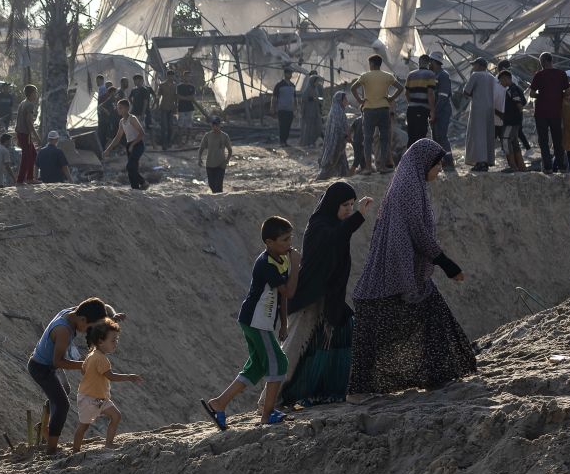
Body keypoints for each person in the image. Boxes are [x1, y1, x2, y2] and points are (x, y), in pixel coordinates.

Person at [347, 138, 474, 396]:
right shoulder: (408, 189)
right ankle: (360, 391)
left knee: (433, 318)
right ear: (423, 163)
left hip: (408, 271)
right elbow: (418, 233)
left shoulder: (413, 184)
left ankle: (437, 376)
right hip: (395, 273)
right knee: (381, 335)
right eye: (437, 165)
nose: (439, 169)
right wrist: (448, 265)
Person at [200, 216, 300, 430]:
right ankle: (267, 414)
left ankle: (219, 403)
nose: (289, 244)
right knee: (279, 363)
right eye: (284, 240)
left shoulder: (280, 259)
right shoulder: (265, 264)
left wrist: (283, 324)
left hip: (260, 321)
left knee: (256, 366)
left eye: (290, 238)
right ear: (269, 243)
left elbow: (282, 296)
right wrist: (297, 266)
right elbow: (289, 291)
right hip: (256, 321)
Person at [280, 183, 370, 407]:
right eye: (345, 205)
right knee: (294, 348)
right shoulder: (319, 226)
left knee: (349, 336)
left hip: (330, 298)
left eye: (351, 205)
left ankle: (351, 390)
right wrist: (359, 215)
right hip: (309, 298)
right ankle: (269, 399)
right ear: (332, 204)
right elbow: (336, 237)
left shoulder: (334, 224)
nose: (349, 209)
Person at [28, 298, 110, 456]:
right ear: (83, 319)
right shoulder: (63, 330)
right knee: (63, 405)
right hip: (41, 368)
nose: (88, 332)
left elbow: (98, 307)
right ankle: (51, 450)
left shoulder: (74, 312)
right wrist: (85, 365)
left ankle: (45, 428)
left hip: (48, 364)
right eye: (89, 328)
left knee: (63, 390)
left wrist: (112, 317)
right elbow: (58, 361)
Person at [73, 319, 136, 453]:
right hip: (89, 398)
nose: (116, 343)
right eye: (113, 340)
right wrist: (130, 377)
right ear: (101, 342)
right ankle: (75, 451)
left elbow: (83, 370)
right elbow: (111, 376)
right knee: (83, 426)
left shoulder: (91, 355)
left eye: (116, 339)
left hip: (98, 397)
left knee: (116, 416)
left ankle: (108, 444)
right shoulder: (101, 359)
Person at [352, 55, 401, 172]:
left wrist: (360, 101)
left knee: (368, 139)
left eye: (370, 64)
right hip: (384, 110)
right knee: (384, 139)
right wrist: (390, 98)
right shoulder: (387, 76)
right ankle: (383, 166)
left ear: (372, 64)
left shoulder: (365, 76)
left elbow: (353, 88)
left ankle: (368, 168)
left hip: (369, 111)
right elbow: (400, 88)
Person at [529, 53, 570, 174]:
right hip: (556, 112)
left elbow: (532, 93)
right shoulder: (561, 74)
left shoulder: (539, 75)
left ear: (543, 61)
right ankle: (562, 167)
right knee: (558, 140)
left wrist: (541, 96)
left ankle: (547, 167)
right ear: (551, 61)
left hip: (541, 112)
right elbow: (568, 92)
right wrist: (558, 96)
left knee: (543, 141)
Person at [461, 58, 501, 171]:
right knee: (487, 134)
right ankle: (488, 160)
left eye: (474, 65)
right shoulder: (492, 78)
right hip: (490, 109)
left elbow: (466, 92)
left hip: (478, 108)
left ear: (478, 65)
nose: (473, 67)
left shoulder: (475, 75)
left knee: (478, 135)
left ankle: (481, 162)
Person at [103, 98, 149, 189]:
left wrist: (133, 145)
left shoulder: (132, 118)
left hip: (138, 144)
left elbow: (142, 133)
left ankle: (143, 182)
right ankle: (135, 188)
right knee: (132, 169)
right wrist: (108, 149)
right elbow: (118, 137)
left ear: (127, 108)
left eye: (120, 108)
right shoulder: (121, 122)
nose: (118, 110)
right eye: (118, 108)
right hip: (129, 145)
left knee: (130, 166)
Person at [429, 53, 455, 168]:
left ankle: (449, 162)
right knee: (435, 137)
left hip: (442, 110)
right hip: (436, 110)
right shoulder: (434, 75)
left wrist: (435, 112)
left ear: (434, 62)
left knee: (441, 136)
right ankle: (440, 162)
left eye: (430, 61)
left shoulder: (443, 75)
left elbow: (443, 97)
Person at [404, 56, 439, 143]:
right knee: (421, 136)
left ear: (419, 62)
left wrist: (411, 103)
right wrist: (432, 111)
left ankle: (411, 156)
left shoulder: (410, 74)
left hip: (411, 109)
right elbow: (430, 94)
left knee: (411, 136)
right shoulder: (430, 75)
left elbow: (406, 93)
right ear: (428, 63)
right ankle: (420, 156)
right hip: (422, 109)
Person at [498, 70, 527, 171]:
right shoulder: (516, 88)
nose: (501, 83)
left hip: (511, 122)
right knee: (514, 143)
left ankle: (513, 166)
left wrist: (514, 116)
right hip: (515, 122)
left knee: (505, 141)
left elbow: (519, 104)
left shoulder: (511, 90)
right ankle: (521, 167)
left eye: (501, 81)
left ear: (505, 79)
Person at [318, 92, 351, 179]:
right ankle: (321, 178)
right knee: (331, 160)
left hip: (340, 142)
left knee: (341, 160)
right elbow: (337, 128)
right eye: (345, 99)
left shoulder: (339, 109)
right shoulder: (337, 111)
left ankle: (343, 175)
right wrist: (345, 136)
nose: (347, 101)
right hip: (335, 142)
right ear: (340, 100)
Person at [199, 116, 233, 193]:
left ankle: (220, 200)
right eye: (213, 125)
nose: (215, 127)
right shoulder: (207, 135)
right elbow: (201, 148)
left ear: (219, 125)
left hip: (221, 164)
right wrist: (199, 158)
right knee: (211, 185)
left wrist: (227, 161)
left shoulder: (225, 136)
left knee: (218, 185)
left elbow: (230, 150)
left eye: (216, 125)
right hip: (210, 164)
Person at [15, 85, 39, 184]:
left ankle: (29, 177)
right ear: (31, 93)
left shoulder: (22, 103)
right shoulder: (30, 105)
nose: (36, 95)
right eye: (35, 92)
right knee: (27, 156)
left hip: (20, 132)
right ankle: (21, 180)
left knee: (32, 154)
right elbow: (29, 122)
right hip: (25, 134)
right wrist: (37, 137)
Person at [299, 71, 324, 147]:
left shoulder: (316, 89)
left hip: (315, 111)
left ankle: (313, 142)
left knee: (317, 127)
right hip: (309, 111)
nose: (317, 83)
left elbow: (318, 97)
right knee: (309, 128)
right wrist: (313, 99)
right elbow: (304, 98)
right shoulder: (308, 89)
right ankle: (308, 143)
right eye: (316, 81)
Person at [273, 69, 297, 146]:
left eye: (291, 73)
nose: (290, 75)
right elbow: (274, 98)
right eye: (288, 73)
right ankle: (282, 141)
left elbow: (294, 98)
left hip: (290, 109)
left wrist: (296, 108)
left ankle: (285, 141)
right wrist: (273, 108)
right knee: (282, 125)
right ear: (285, 74)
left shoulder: (293, 86)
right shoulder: (279, 85)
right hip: (282, 109)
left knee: (288, 126)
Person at [175, 69, 198, 145]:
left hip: (190, 108)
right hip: (181, 108)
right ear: (183, 77)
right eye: (186, 76)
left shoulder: (192, 87)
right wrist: (187, 98)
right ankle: (179, 141)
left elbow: (193, 97)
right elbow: (178, 96)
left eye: (189, 76)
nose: (187, 78)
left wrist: (184, 97)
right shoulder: (179, 86)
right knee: (180, 125)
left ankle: (187, 141)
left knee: (189, 125)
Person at [156, 73, 177, 150]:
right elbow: (158, 96)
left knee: (170, 127)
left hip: (171, 108)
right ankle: (164, 144)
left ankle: (169, 142)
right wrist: (157, 106)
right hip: (164, 107)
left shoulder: (174, 86)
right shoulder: (162, 85)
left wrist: (176, 106)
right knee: (164, 127)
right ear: (167, 76)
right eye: (170, 76)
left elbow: (175, 97)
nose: (171, 77)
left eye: (172, 75)